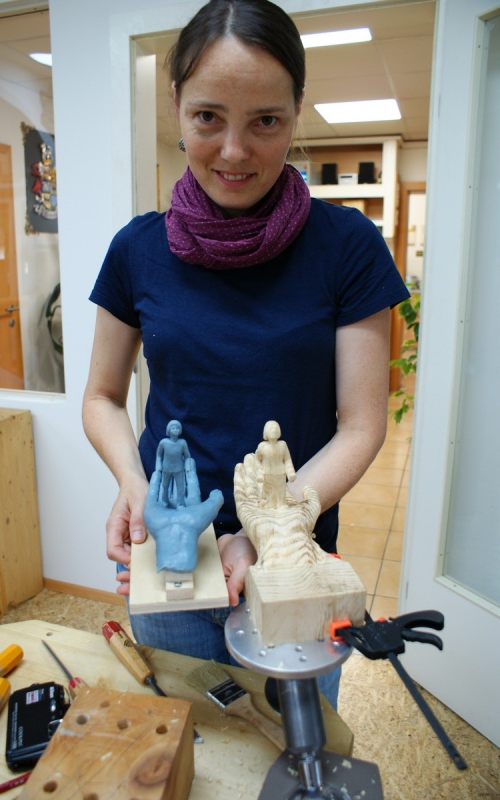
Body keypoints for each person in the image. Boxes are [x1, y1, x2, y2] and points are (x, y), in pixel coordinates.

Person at [82, 0, 409, 710]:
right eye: (208, 117)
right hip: (173, 567)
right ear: (176, 105)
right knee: (188, 735)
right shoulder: (137, 249)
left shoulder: (347, 247)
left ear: (297, 112)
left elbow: (361, 425)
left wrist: (264, 532)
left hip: (293, 562)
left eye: (265, 121)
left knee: (299, 741)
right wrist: (134, 485)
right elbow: (102, 398)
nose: (233, 152)